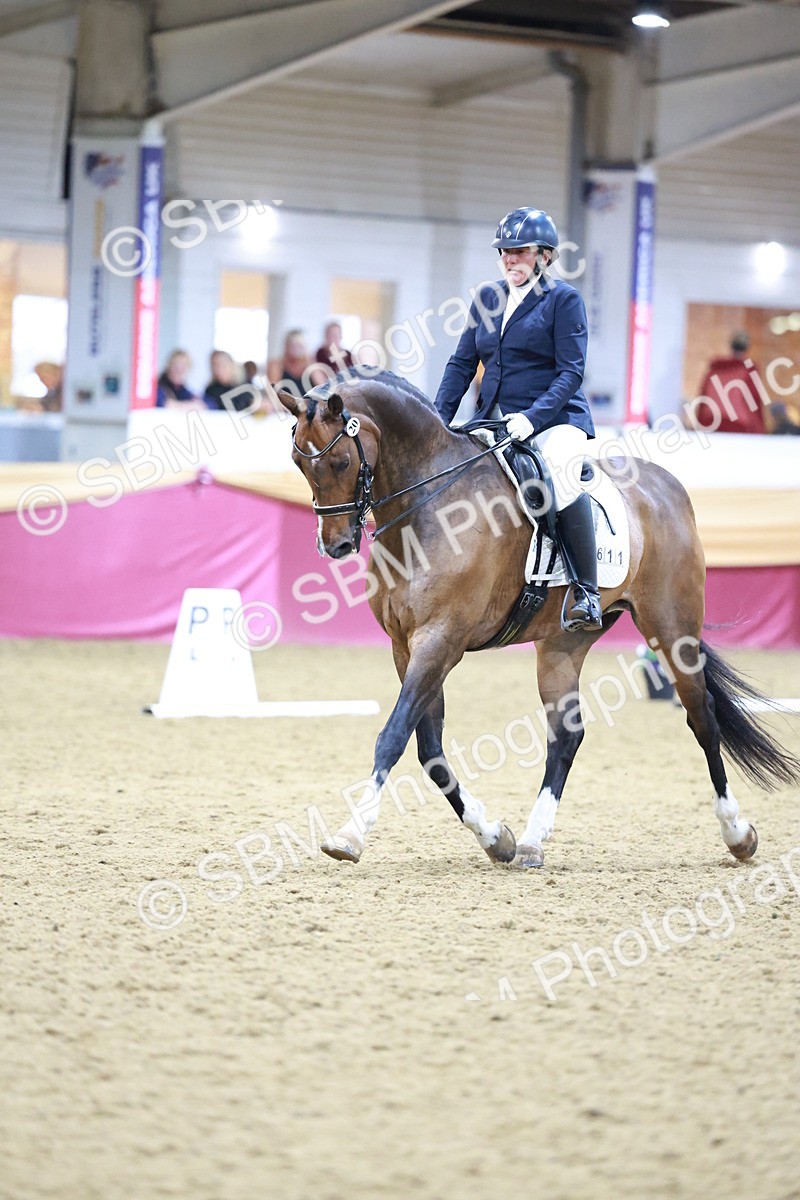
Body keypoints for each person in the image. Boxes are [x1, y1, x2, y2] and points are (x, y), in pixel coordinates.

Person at [434, 206, 601, 632]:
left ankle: (587, 591)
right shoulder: (488, 298)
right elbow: (461, 365)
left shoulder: (564, 300)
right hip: (492, 419)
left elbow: (571, 373)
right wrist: (437, 422)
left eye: (520, 251)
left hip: (555, 419)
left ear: (544, 255)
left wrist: (532, 417)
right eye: (505, 252)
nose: (510, 259)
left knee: (560, 478)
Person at [689, 332, 767, 434]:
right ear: (747, 347)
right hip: (739, 425)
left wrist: (699, 422)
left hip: (710, 421)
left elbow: (703, 397)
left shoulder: (715, 370)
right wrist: (760, 428)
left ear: (731, 346)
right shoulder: (747, 370)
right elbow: (754, 399)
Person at [267, 330, 313, 395]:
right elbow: (272, 392)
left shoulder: (310, 365)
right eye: (293, 345)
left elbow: (322, 388)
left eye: (299, 346)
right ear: (286, 346)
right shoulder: (277, 365)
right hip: (284, 403)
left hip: (307, 404)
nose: (296, 349)